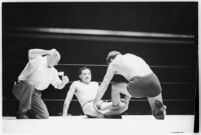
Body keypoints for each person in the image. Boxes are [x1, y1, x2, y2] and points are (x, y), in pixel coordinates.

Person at [94, 51, 167, 120]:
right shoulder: (130, 56)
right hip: (153, 80)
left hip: (138, 83)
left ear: (111, 59)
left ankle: (115, 109)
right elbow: (132, 84)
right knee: (156, 113)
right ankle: (160, 110)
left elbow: (104, 85)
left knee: (114, 87)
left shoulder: (113, 63)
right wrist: (126, 100)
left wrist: (96, 102)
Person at [12, 48, 69, 119]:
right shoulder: (38, 60)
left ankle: (30, 111)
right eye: (56, 61)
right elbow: (31, 52)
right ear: (51, 57)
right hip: (21, 88)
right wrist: (48, 51)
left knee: (44, 116)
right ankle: (22, 111)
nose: (56, 64)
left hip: (35, 93)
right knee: (30, 84)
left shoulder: (53, 71)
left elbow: (58, 85)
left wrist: (63, 83)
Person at [62, 67, 128, 118]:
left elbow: (100, 97)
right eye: (84, 74)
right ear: (80, 76)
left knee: (122, 105)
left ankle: (106, 114)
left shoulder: (95, 84)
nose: (87, 76)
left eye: (89, 73)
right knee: (94, 111)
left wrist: (118, 102)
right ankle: (108, 114)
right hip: (88, 105)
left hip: (100, 104)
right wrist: (64, 115)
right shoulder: (76, 84)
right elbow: (68, 100)